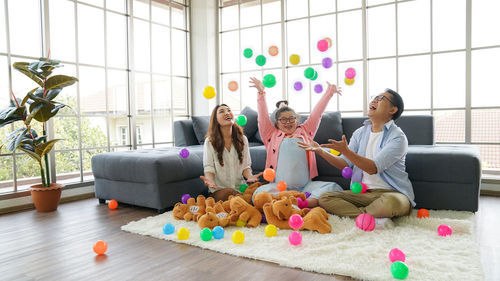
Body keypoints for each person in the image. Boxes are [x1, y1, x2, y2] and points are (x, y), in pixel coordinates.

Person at [298, 89, 414, 220]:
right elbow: (344, 164)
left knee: (393, 203)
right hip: (363, 194)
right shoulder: (360, 133)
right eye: (374, 97)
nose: (374, 100)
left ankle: (360, 215)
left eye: (381, 98)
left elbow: (373, 168)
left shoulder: (398, 137)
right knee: (325, 198)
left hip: (391, 193)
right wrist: (320, 151)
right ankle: (368, 216)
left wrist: (346, 151)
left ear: (392, 110)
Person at [249, 77, 343, 208]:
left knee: (334, 187)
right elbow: (262, 117)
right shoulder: (271, 135)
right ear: (276, 123)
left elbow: (317, 114)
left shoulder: (305, 131)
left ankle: (295, 203)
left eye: (291, 119)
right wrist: (261, 93)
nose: (288, 122)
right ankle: (291, 204)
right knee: (258, 195)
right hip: (280, 188)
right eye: (283, 120)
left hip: (306, 187)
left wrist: (329, 92)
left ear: (296, 120)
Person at [200, 104, 262, 202]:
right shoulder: (210, 142)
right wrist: (210, 181)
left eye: (229, 110)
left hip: (241, 188)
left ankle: (245, 202)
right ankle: (246, 203)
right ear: (215, 119)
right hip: (220, 191)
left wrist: (250, 176)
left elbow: (246, 166)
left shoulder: (243, 139)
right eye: (222, 111)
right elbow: (209, 168)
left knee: (260, 190)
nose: (227, 113)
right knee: (230, 193)